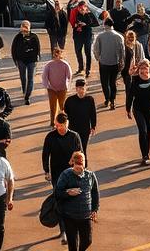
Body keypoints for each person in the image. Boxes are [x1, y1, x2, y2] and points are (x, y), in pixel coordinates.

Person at [42, 113, 83, 244]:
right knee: (60, 202)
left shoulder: (74, 136)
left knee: (73, 201)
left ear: (66, 124)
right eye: (56, 125)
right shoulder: (50, 136)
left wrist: (79, 166)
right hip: (57, 174)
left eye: (60, 125)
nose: (57, 128)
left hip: (72, 174)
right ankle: (63, 231)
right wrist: (46, 171)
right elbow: (45, 154)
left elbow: (80, 154)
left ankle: (74, 228)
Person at [54, 152, 98, 251]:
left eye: (81, 163)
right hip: (70, 217)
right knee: (73, 245)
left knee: (87, 241)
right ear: (73, 163)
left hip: (86, 216)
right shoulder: (66, 175)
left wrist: (95, 209)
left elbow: (95, 193)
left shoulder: (90, 176)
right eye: (77, 163)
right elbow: (57, 193)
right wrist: (68, 193)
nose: (79, 166)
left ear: (85, 163)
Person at [126, 60, 150, 165]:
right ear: (139, 69)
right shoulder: (135, 81)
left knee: (148, 131)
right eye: (141, 68)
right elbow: (130, 96)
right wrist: (128, 109)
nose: (143, 70)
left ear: (148, 68)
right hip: (138, 110)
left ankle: (147, 152)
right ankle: (144, 155)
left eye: (145, 67)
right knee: (143, 131)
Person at [91, 19, 124, 110]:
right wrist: (121, 61)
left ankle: (107, 99)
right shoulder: (119, 36)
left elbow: (96, 49)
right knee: (113, 82)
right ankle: (113, 101)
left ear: (105, 25)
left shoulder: (100, 36)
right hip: (115, 62)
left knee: (105, 82)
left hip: (104, 63)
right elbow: (122, 51)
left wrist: (98, 58)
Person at [63, 79, 96, 163]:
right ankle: (73, 165)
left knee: (83, 148)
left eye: (82, 88)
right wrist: (64, 126)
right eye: (79, 88)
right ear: (76, 89)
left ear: (86, 88)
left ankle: (84, 165)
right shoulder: (69, 100)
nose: (81, 90)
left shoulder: (90, 100)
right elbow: (65, 115)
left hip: (85, 129)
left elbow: (93, 114)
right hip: (73, 129)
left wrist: (93, 126)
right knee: (73, 148)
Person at [41, 47, 73, 127]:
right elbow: (44, 76)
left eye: (58, 53)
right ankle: (53, 122)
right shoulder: (49, 65)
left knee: (61, 106)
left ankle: (62, 121)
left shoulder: (65, 64)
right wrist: (47, 85)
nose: (57, 55)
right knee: (54, 107)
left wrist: (67, 86)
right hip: (53, 89)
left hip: (60, 88)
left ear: (60, 54)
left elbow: (69, 76)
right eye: (55, 54)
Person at [10, 21, 40, 105]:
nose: (25, 28)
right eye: (23, 26)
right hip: (21, 60)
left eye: (26, 26)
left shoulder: (34, 36)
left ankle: (27, 96)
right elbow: (13, 49)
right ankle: (24, 90)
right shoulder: (18, 37)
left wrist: (37, 58)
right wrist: (15, 60)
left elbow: (37, 48)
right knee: (23, 77)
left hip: (31, 60)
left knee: (30, 78)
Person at [69, 3, 95, 77]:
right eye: (80, 9)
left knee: (88, 53)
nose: (81, 10)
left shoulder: (89, 14)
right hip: (78, 37)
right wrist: (76, 25)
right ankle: (80, 68)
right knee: (78, 52)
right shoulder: (76, 14)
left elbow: (94, 24)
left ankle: (88, 69)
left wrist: (85, 24)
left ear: (85, 8)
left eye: (82, 9)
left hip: (87, 37)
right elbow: (72, 23)